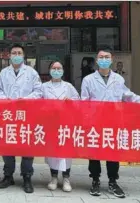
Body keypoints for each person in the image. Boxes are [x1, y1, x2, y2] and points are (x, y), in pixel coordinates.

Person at [81, 48, 140, 198]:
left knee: (112, 152)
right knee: (94, 153)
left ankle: (112, 181)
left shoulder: (118, 79)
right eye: (101, 57)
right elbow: (84, 102)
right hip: (95, 122)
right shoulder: (88, 80)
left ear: (112, 59)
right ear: (96, 60)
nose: (103, 59)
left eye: (106, 57)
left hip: (113, 121)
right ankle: (95, 180)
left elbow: (127, 95)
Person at [0, 44, 42, 193]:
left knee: (27, 146)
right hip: (8, 114)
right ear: (9, 55)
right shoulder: (3, 72)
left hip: (26, 114)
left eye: (19, 53)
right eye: (14, 53)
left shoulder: (32, 73)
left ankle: (27, 177)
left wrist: (26, 99)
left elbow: (39, 91)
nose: (16, 55)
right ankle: (8, 175)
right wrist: (5, 99)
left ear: (23, 55)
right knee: (7, 145)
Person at [42, 61, 79, 192]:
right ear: (49, 70)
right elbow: (38, 104)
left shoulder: (68, 86)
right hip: (51, 124)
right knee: (52, 152)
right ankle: (53, 178)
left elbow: (78, 101)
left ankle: (66, 178)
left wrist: (71, 102)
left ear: (63, 70)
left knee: (66, 152)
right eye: (54, 68)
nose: (56, 70)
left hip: (65, 124)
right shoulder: (44, 87)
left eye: (59, 68)